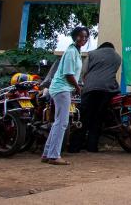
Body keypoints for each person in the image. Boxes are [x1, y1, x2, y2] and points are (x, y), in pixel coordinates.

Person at [41, 26, 88, 165]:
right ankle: (54, 156)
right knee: (62, 123)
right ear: (75, 37)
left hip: (62, 88)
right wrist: (77, 88)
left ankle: (47, 154)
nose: (84, 39)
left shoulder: (75, 51)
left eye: (86, 37)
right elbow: (68, 74)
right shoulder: (71, 52)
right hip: (61, 89)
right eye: (81, 36)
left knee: (59, 122)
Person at [75, 41, 121, 153]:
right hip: (108, 90)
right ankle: (92, 147)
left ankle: (75, 147)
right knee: (98, 118)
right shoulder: (117, 57)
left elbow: (84, 71)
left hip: (90, 89)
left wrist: (86, 82)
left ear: (100, 47)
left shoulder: (92, 54)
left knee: (84, 117)